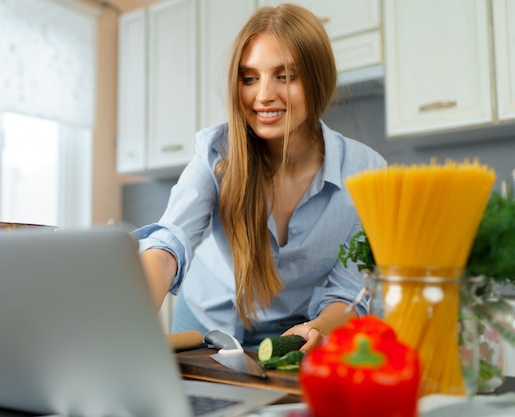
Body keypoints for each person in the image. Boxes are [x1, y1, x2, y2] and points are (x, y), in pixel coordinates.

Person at [133, 3, 386, 351]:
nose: (263, 95)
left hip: (299, 327)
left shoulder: (366, 172)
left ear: (318, 79)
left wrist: (318, 329)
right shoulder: (216, 152)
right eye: (249, 78)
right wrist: (127, 322)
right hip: (206, 319)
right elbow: (168, 244)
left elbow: (349, 290)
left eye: (286, 76)